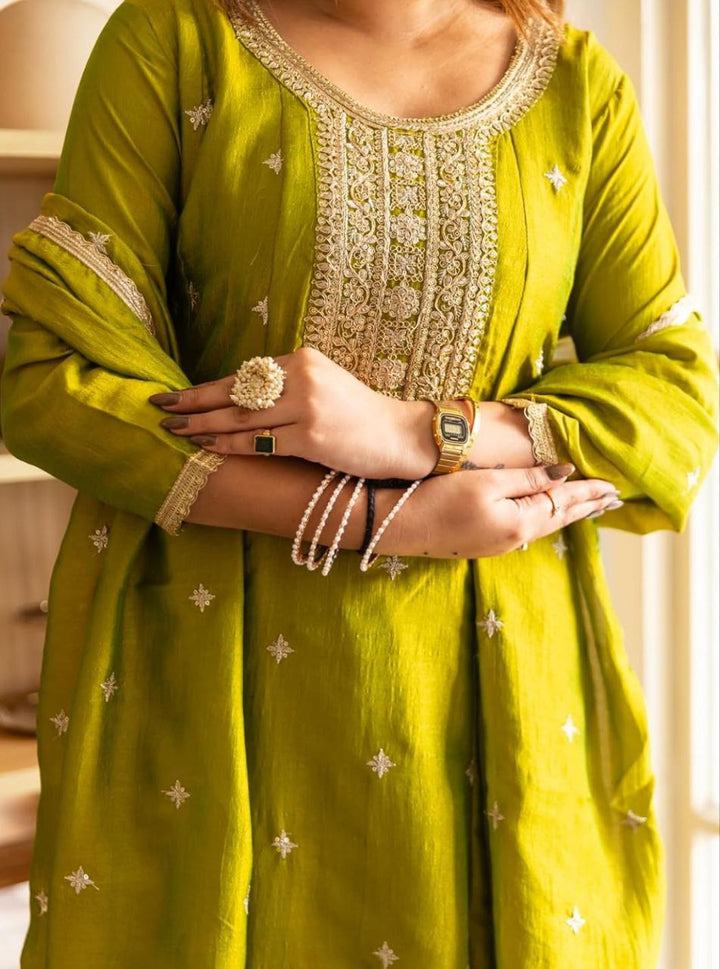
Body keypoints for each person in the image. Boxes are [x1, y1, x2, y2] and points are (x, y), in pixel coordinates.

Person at [1, 0, 717, 965]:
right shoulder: (177, 40)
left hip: (499, 687)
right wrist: (385, 519)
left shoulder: (575, 86)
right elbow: (54, 382)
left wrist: (416, 433)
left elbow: (676, 396)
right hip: (215, 675)